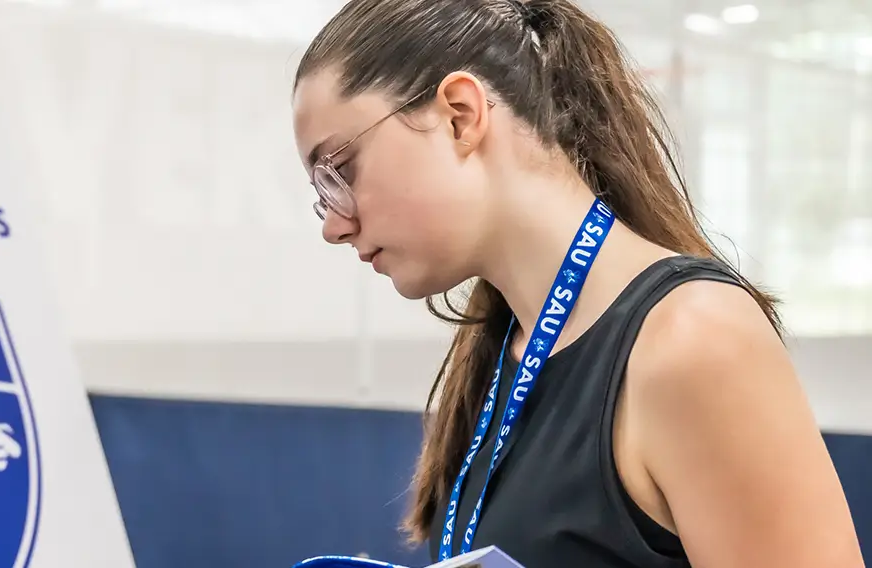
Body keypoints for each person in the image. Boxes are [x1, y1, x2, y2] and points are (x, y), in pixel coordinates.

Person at [289, 0, 864, 567]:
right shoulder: (500, 351)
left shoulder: (693, 339)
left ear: (460, 115)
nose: (335, 226)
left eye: (339, 171)